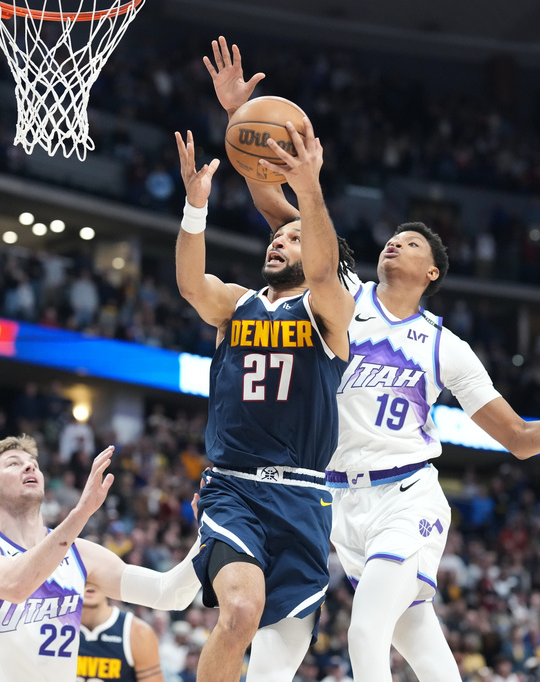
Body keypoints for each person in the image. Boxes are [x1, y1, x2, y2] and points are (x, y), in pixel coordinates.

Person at [206, 37, 540, 682]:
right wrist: (244, 126)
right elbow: (281, 214)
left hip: (407, 499)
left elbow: (519, 440)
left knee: (366, 633)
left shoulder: (446, 348)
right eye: (392, 236)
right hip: (337, 503)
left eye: (409, 242)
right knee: (428, 655)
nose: (393, 243)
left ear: (430, 270)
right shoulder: (339, 295)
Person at [176, 44, 356, 681]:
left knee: (279, 661)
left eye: (292, 234)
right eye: (275, 236)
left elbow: (322, 255)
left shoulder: (334, 301)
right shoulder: (240, 301)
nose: (279, 236)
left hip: (310, 494)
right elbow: (198, 279)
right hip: (235, 484)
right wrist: (241, 117)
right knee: (238, 614)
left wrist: (307, 189)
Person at [0, 435, 200, 682]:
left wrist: (206, 536)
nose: (29, 466)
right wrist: (81, 513)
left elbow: (169, 594)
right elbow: (15, 586)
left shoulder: (80, 553)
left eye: (33, 463)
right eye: (13, 463)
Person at [77, 579, 161, 681]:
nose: (89, 579)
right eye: (84, 572)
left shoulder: (137, 632)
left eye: (95, 572)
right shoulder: (54, 626)